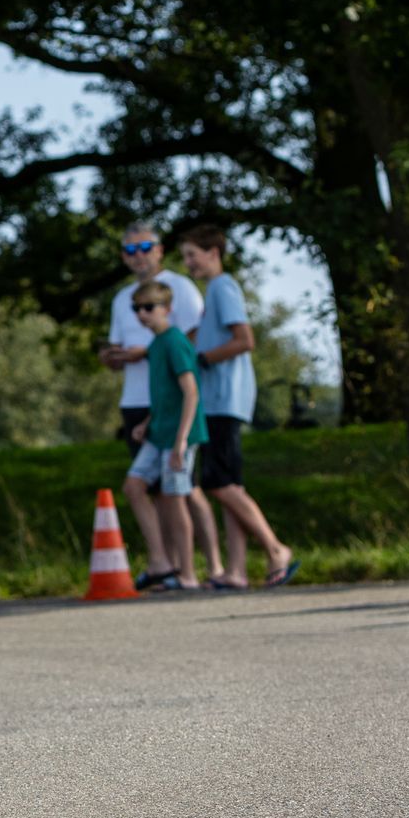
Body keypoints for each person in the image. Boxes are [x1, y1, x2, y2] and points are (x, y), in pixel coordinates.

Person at [177, 221, 298, 588]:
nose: (188, 264)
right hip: (220, 399)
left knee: (219, 483)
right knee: (230, 485)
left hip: (223, 399)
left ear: (214, 252)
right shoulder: (214, 292)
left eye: (192, 256)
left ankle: (276, 549)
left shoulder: (223, 287)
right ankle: (237, 570)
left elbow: (244, 339)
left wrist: (203, 360)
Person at [100, 221, 221, 587]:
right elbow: (120, 342)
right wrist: (119, 356)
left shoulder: (180, 290)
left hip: (177, 408)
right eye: (130, 250)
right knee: (153, 488)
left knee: (185, 489)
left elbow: (195, 341)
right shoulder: (122, 299)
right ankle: (165, 564)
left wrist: (154, 354)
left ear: (158, 249)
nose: (143, 314)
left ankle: (206, 567)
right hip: (144, 404)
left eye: (145, 247)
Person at [123, 280, 207, 589]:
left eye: (148, 308)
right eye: (136, 309)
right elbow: (164, 394)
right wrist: (147, 421)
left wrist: (181, 441)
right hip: (158, 430)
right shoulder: (155, 346)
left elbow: (191, 392)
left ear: (167, 309)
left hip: (177, 435)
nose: (142, 314)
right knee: (134, 486)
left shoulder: (174, 342)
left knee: (174, 499)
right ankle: (160, 561)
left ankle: (188, 573)